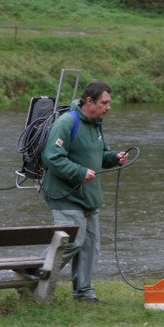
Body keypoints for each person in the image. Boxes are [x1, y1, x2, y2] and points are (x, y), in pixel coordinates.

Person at [41, 81, 127, 303]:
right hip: (65, 195)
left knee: (90, 246)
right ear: (89, 101)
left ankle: (84, 293)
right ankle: (34, 273)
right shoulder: (68, 122)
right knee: (73, 242)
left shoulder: (96, 123)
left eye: (109, 103)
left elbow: (97, 156)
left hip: (88, 197)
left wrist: (114, 157)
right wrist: (79, 172)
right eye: (104, 103)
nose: (108, 107)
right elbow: (51, 156)